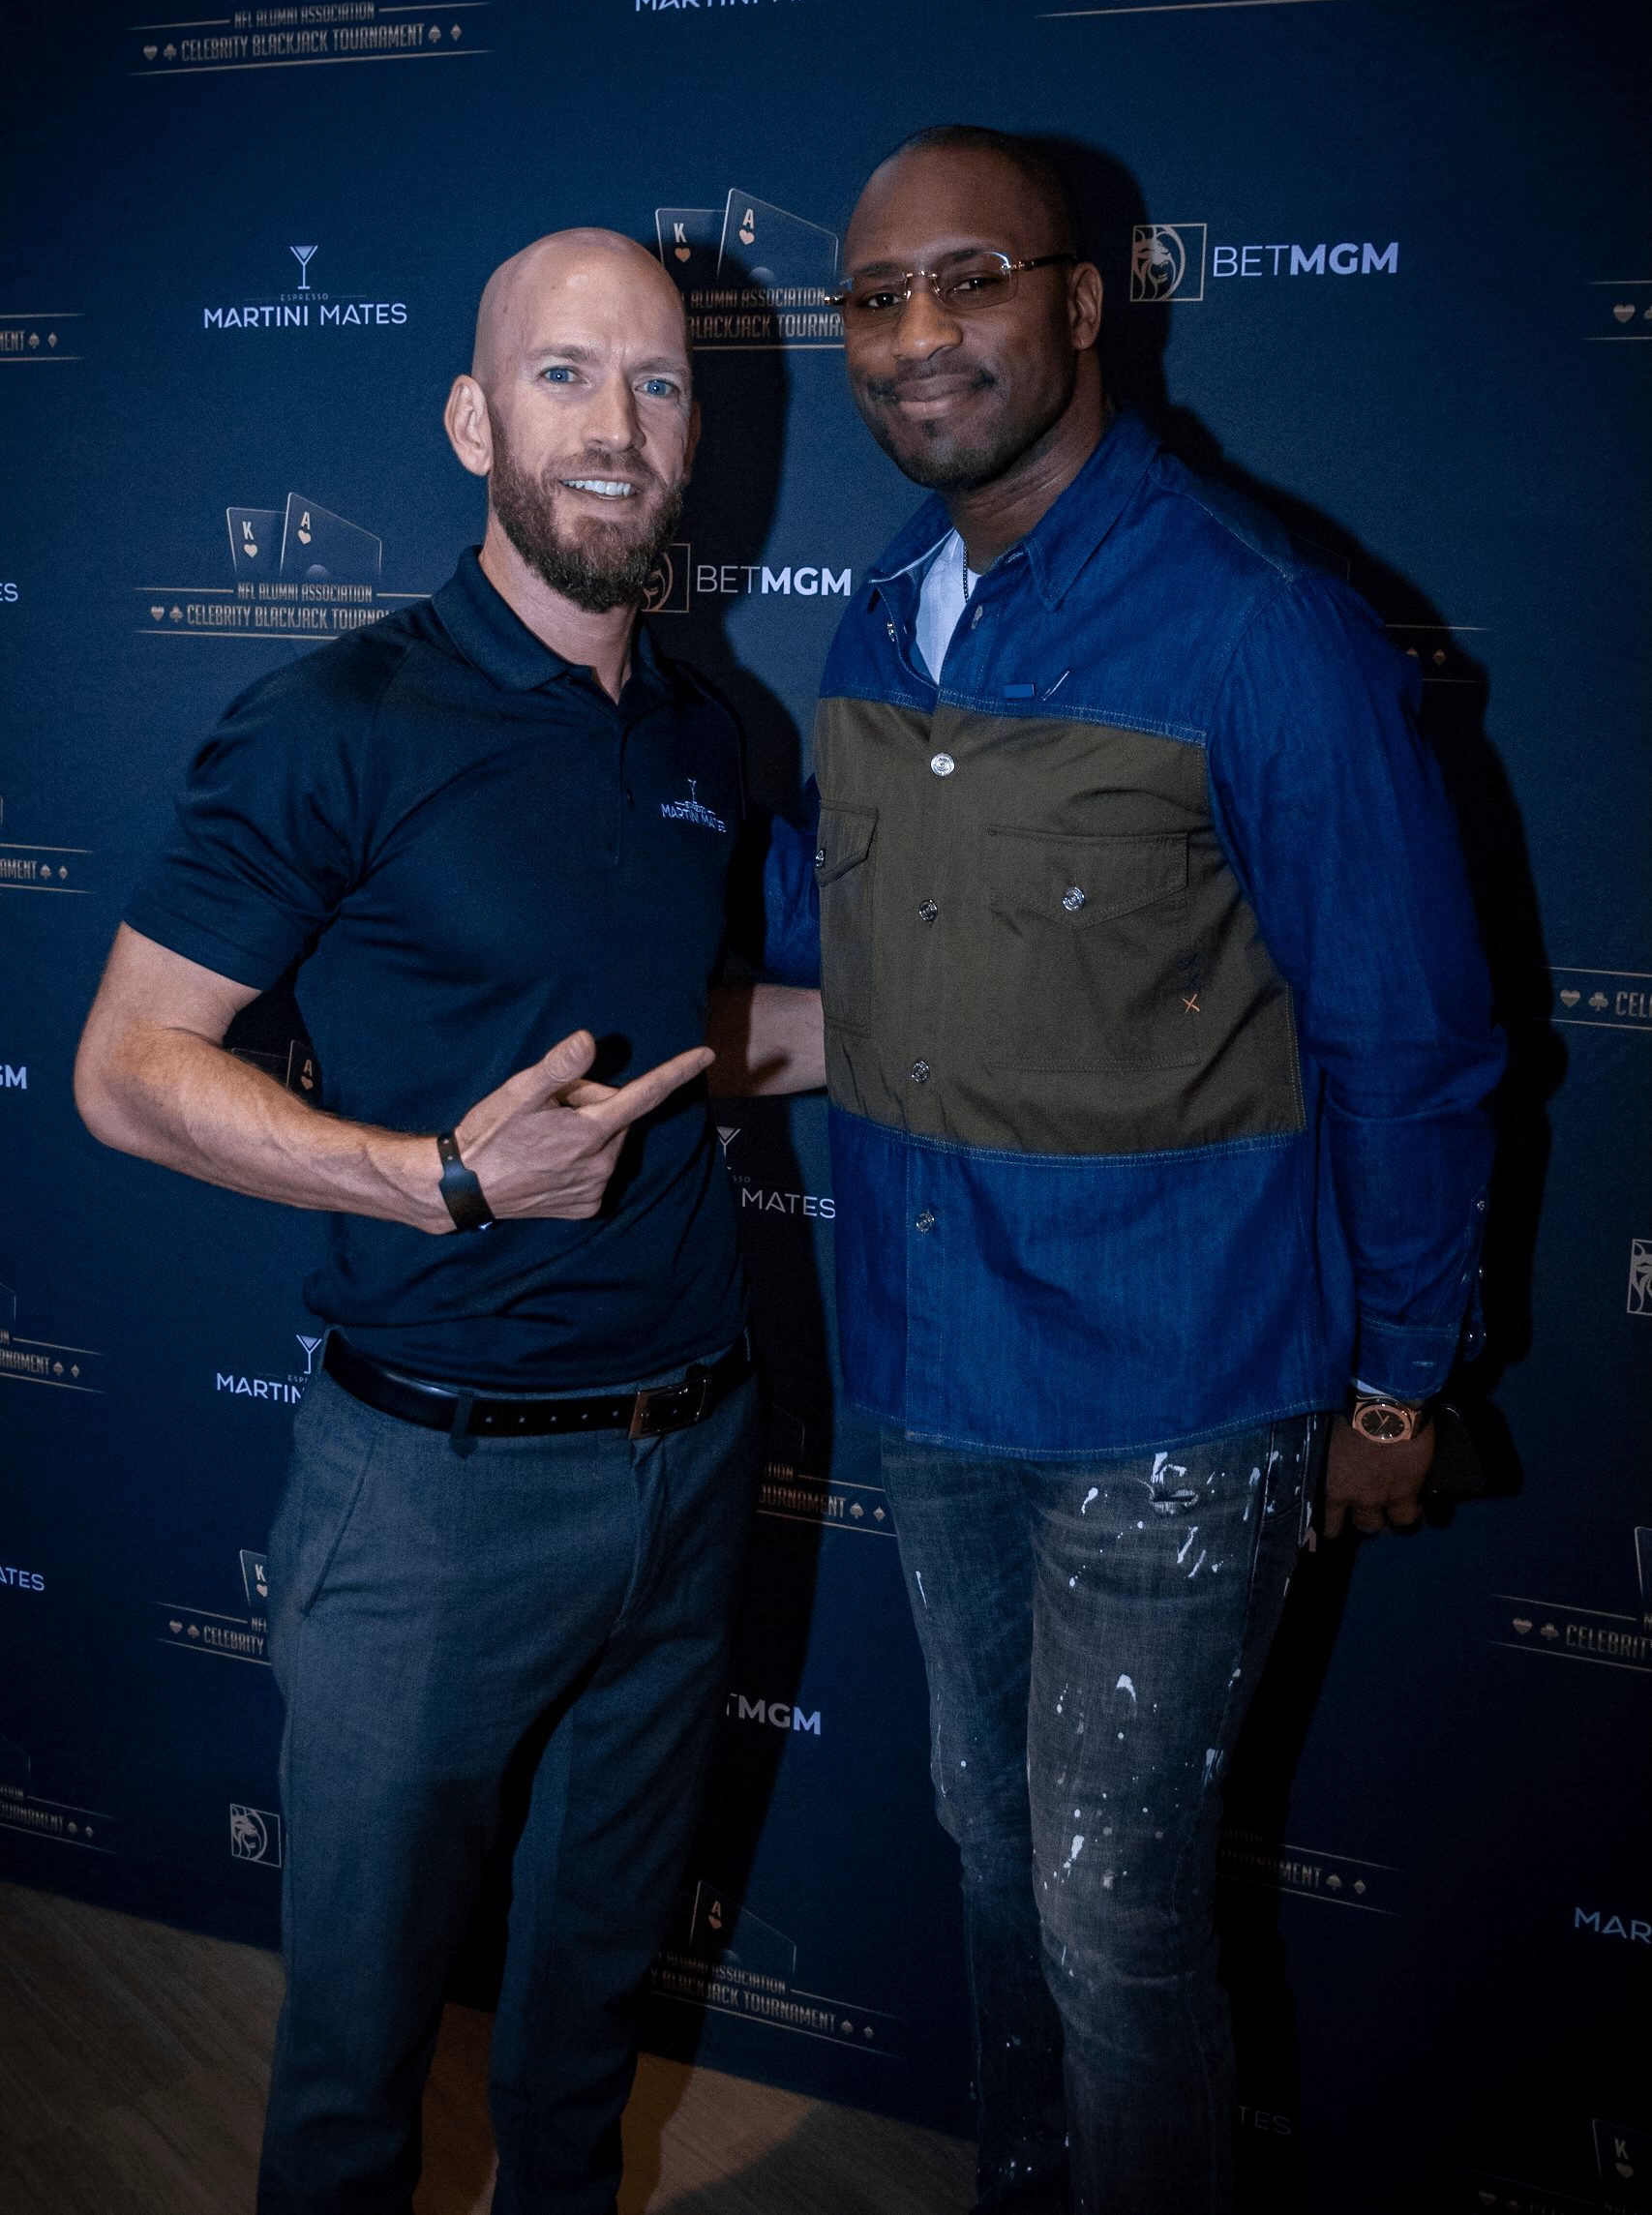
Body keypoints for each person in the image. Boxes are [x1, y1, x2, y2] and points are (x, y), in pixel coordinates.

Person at [760, 127, 1504, 2213]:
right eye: (875, 296)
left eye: (969, 279)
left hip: (1175, 1399)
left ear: (1083, 301)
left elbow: (1409, 1042)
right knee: (994, 1851)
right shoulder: (878, 623)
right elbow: (846, 938)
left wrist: (1397, 1380)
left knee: (1110, 1905)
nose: (917, 333)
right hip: (931, 1370)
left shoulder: (1261, 629)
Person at [75, 227, 814, 2215]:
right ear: (473, 421)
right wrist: (440, 1176)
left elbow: (686, 1033)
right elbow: (126, 1067)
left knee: (585, 2035)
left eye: (657, 382)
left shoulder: (702, 735)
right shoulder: (337, 717)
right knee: (357, 2066)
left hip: (691, 1458)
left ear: (695, 435)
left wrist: (964, 1028)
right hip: (431, 1495)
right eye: (563, 375)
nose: (615, 423)